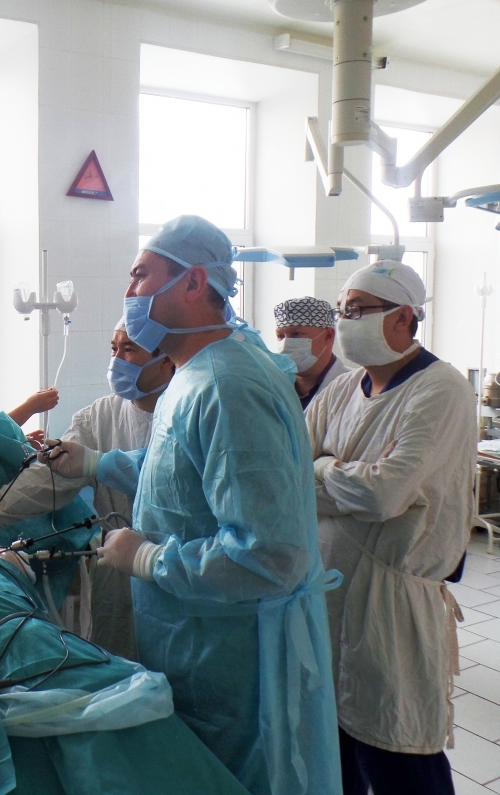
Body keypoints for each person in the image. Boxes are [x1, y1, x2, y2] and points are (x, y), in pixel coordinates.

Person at [41, 215, 341, 795]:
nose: (129, 291)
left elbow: (269, 555)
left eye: (140, 275)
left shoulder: (229, 384)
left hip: (232, 658)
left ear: (195, 281)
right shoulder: (197, 372)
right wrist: (97, 463)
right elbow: (179, 473)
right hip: (198, 637)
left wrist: (147, 557)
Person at [305, 261, 473, 795]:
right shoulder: (341, 390)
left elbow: (383, 495)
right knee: (337, 750)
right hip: (328, 591)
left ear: (403, 317)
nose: (344, 321)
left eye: (357, 310)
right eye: (341, 310)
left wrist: (322, 467)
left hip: (391, 604)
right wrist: (340, 476)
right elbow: (288, 474)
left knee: (397, 747)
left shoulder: (439, 390)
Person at [0, 318, 176, 659]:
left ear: (167, 358)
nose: (116, 360)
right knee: (124, 667)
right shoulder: (99, 418)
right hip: (119, 570)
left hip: (185, 571)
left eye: (128, 350)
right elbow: (46, 480)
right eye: (113, 349)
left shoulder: (191, 409)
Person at [274, 296, 350, 409]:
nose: (285, 344)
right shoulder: (272, 387)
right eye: (280, 336)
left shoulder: (354, 386)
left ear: (328, 336)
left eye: (296, 334)